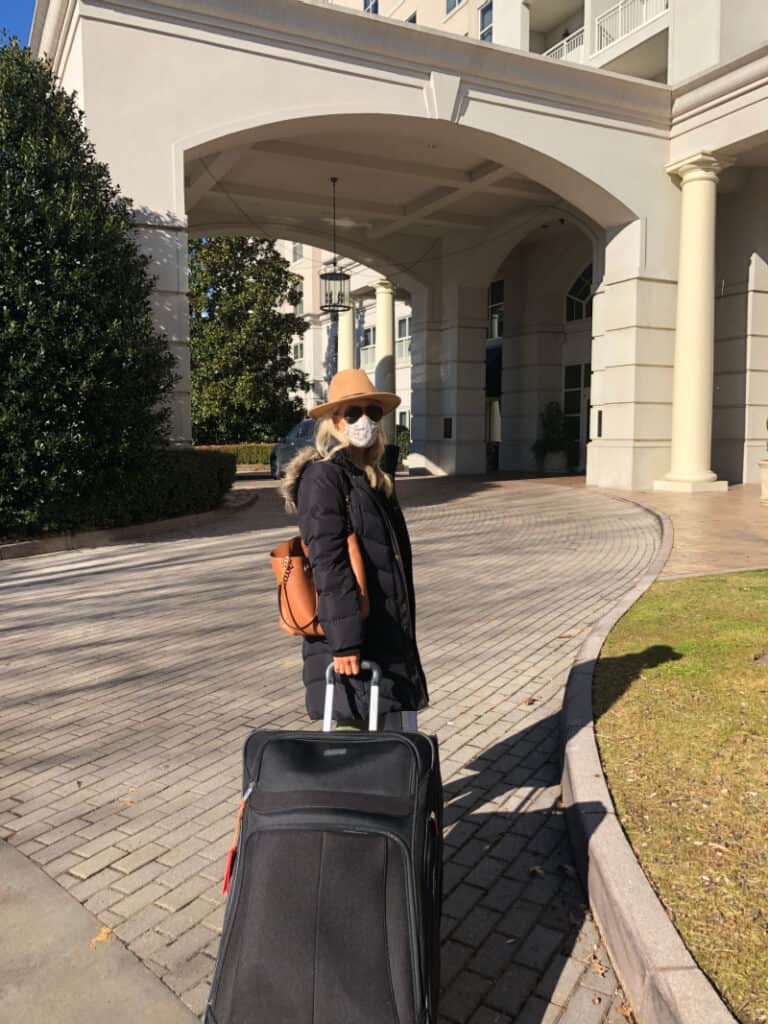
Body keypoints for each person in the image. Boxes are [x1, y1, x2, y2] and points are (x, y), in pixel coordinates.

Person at [280, 368, 428, 731]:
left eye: (372, 413)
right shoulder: (324, 478)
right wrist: (344, 645)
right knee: (354, 747)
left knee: (390, 742)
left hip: (383, 633)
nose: (365, 421)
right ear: (334, 421)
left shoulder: (370, 478)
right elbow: (329, 563)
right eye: (353, 413)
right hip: (353, 642)